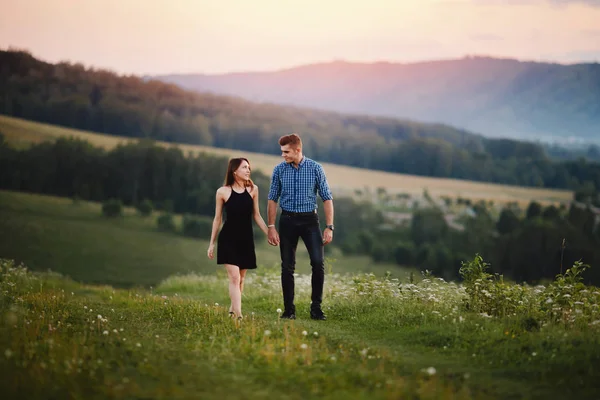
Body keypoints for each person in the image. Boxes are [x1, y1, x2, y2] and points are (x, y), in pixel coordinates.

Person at [267, 133, 334, 320]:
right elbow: (272, 199)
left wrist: (329, 227)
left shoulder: (315, 168)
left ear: (298, 150)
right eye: (282, 152)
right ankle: (289, 311)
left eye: (286, 152)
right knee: (287, 266)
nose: (283, 155)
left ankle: (316, 308)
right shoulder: (279, 170)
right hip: (287, 220)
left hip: (310, 222)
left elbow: (327, 198)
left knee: (318, 263)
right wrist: (271, 226)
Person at [208, 157, 269, 320]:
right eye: (244, 167)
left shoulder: (253, 190)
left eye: (249, 167)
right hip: (228, 239)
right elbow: (217, 219)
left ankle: (232, 309)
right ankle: (239, 315)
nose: (248, 170)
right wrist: (211, 243)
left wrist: (268, 232)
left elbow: (257, 215)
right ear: (234, 171)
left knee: (241, 278)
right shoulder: (223, 192)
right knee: (234, 277)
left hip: (246, 239)